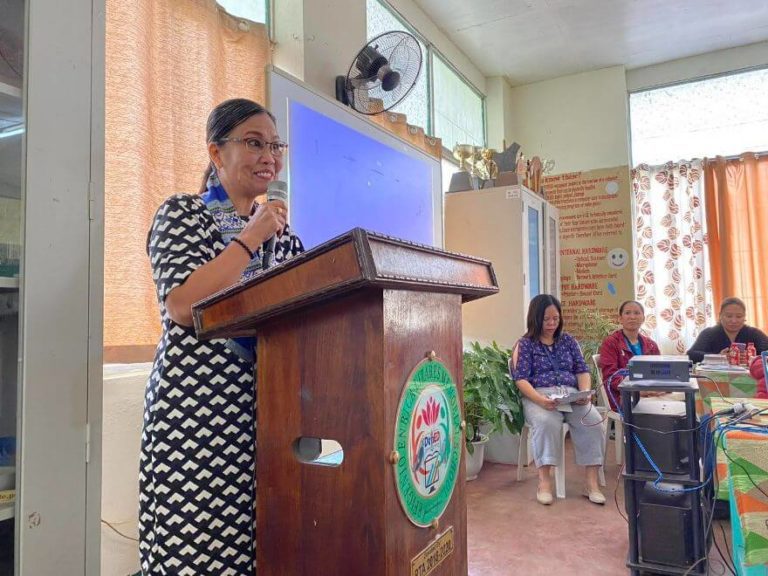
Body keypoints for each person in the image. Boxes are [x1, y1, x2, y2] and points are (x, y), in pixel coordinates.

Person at [140, 99, 305, 575]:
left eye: (275, 145)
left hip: (262, 421)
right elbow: (183, 305)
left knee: (252, 553)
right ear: (216, 152)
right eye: (254, 142)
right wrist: (250, 238)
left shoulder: (284, 237)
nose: (269, 155)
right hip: (194, 422)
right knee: (191, 552)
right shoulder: (182, 214)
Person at [512, 294, 605, 506]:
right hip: (539, 395)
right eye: (547, 319)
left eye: (556, 318)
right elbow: (521, 380)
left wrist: (584, 392)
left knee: (592, 420)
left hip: (571, 394)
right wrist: (540, 400)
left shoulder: (568, 341)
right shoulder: (525, 344)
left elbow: (582, 370)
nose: (552, 323)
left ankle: (591, 484)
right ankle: (544, 482)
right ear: (535, 319)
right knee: (546, 422)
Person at [599, 300, 661, 410]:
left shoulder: (651, 345)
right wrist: (639, 391)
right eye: (627, 313)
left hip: (651, 393)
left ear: (643, 318)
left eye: (637, 313)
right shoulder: (610, 343)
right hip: (623, 395)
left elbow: (660, 371)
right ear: (620, 319)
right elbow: (610, 377)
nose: (632, 317)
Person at [687, 297, 768, 363]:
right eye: (729, 316)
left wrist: (752, 358)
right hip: (715, 378)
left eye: (739, 316)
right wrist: (717, 357)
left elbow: (766, 353)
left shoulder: (754, 334)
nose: (733, 320)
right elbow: (691, 354)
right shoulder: (709, 333)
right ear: (720, 316)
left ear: (744, 317)